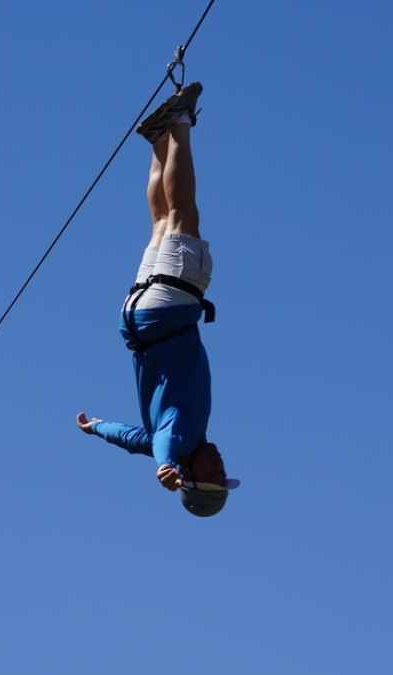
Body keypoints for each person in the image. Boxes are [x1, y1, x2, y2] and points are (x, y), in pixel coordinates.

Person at [76, 81, 239, 517]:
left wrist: (166, 466)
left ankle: (180, 122)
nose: (221, 464)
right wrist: (96, 427)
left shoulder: (178, 438)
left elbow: (163, 444)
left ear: (191, 477)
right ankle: (159, 139)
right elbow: (133, 439)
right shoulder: (166, 438)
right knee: (162, 221)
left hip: (169, 307)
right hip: (140, 319)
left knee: (183, 215)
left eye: (215, 473)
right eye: (224, 472)